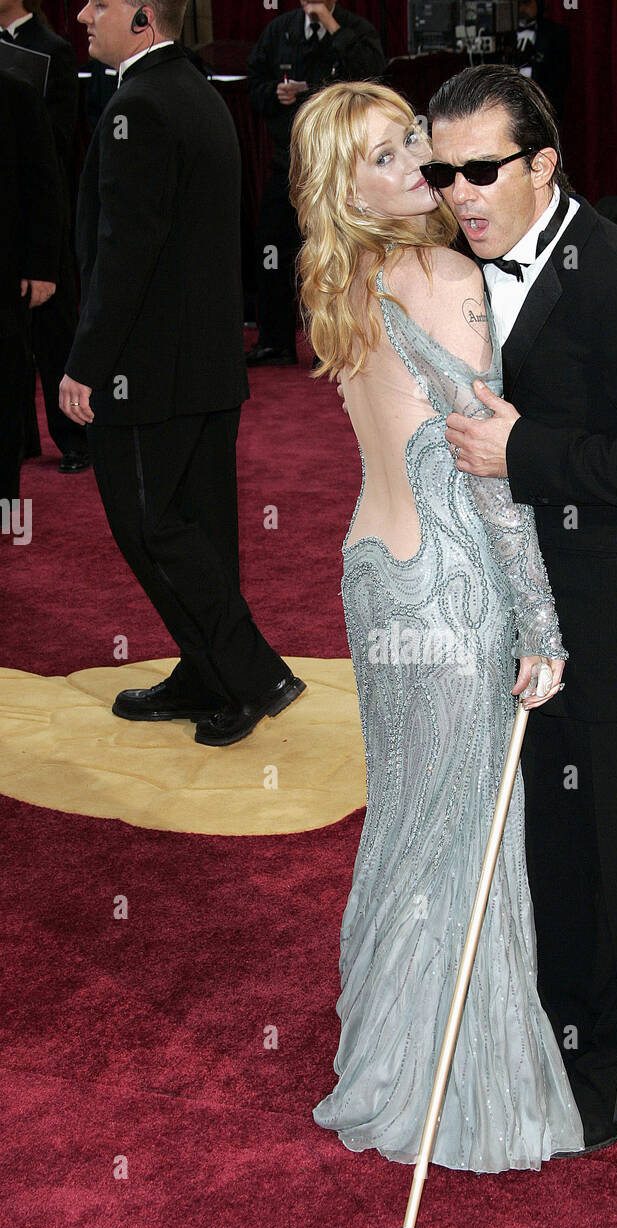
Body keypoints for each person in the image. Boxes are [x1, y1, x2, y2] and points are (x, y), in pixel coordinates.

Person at [289, 80, 585, 1171]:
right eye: (381, 155)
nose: (415, 163)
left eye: (411, 137)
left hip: (372, 576)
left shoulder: (343, 276)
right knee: (462, 831)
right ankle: (457, 1087)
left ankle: (389, 1056)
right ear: (344, 183)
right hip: (449, 587)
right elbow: (486, 472)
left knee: (410, 817)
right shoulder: (443, 273)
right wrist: (540, 623)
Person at [429, 66, 617, 1151]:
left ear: (543, 164)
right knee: (552, 851)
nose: (459, 192)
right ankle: (556, 1037)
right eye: (443, 170)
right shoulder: (457, 273)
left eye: (482, 170)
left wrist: (524, 453)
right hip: (524, 624)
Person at [61, 0, 304, 746]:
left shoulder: (140, 104)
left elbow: (125, 252)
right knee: (201, 527)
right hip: (204, 365)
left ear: (142, 17)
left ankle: (251, 674)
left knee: (151, 527)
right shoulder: (198, 91)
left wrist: (86, 365)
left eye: (99, 3)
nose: (81, 15)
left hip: (147, 372)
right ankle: (208, 677)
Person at [246, 2, 386, 366]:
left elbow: (372, 76)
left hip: (340, 168)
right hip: (288, 164)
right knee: (273, 251)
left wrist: (328, 21)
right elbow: (254, 82)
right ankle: (275, 340)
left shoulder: (355, 29)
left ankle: (334, 344)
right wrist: (274, 93)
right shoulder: (279, 30)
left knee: (334, 254)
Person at [0, 0, 90, 474]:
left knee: (55, 334)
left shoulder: (52, 48)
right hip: (9, 219)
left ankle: (73, 437)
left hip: (42, 211)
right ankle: (20, 440)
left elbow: (55, 139)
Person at [0, 66, 61, 503]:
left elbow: (44, 186)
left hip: (5, 272)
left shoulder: (17, 98)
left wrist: (42, 266)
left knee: (5, 383)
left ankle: (4, 500)